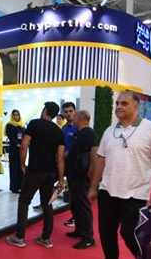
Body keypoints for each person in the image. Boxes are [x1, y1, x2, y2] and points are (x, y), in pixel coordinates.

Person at [87, 91, 151, 259]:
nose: (118, 106)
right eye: (117, 103)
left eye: (124, 103)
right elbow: (101, 160)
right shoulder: (110, 131)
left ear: (136, 106)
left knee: (129, 234)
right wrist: (93, 187)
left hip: (135, 194)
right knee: (106, 234)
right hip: (107, 191)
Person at [6, 101, 65, 249]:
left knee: (24, 201)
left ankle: (20, 237)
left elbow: (24, 146)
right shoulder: (58, 131)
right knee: (47, 204)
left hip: (35, 171)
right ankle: (46, 238)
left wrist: (22, 164)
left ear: (45, 111)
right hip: (50, 173)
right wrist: (60, 179)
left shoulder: (34, 124)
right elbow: (60, 158)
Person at [64, 110, 98, 249]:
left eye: (74, 115)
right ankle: (79, 230)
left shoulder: (88, 133)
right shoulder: (80, 133)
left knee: (83, 206)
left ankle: (88, 237)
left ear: (79, 118)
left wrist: (91, 171)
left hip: (81, 176)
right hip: (74, 176)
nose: (72, 117)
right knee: (77, 205)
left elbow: (94, 152)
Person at [61, 102, 78, 226]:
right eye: (66, 111)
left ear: (75, 111)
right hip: (64, 164)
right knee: (71, 192)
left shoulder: (79, 127)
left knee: (77, 194)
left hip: (76, 166)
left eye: (70, 111)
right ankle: (75, 217)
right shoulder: (64, 128)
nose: (68, 114)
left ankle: (78, 218)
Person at [4, 109, 25, 193]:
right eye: (14, 115)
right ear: (12, 116)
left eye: (17, 115)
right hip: (14, 150)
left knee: (21, 168)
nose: (16, 117)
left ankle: (21, 186)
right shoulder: (10, 125)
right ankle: (14, 188)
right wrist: (17, 144)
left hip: (22, 150)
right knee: (14, 169)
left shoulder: (21, 125)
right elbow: (11, 137)